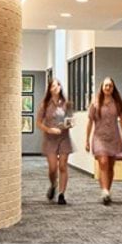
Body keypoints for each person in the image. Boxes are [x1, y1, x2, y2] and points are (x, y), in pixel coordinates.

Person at [85, 76, 122, 205]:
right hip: (99, 137)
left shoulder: (117, 103)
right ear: (102, 87)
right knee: (103, 162)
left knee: (110, 165)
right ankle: (104, 190)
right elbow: (90, 122)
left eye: (110, 85)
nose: (108, 88)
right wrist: (86, 140)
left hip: (113, 137)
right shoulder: (95, 103)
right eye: (106, 85)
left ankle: (107, 191)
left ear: (113, 88)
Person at [37, 77, 74, 205]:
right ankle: (53, 184)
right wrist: (49, 130)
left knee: (63, 166)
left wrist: (68, 124)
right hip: (50, 139)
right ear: (50, 89)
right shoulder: (45, 104)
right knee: (53, 168)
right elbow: (38, 123)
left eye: (58, 85)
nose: (56, 87)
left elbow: (71, 119)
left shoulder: (66, 103)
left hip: (64, 137)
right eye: (53, 86)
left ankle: (62, 194)